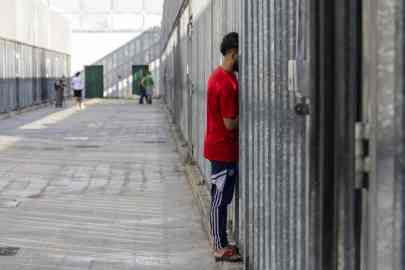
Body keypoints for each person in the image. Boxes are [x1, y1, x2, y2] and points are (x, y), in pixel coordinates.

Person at [203, 32, 240, 262]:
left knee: (221, 197)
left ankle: (222, 242)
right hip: (223, 150)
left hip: (219, 147)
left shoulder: (219, 76)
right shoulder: (226, 84)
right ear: (234, 54)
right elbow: (229, 123)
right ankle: (219, 246)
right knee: (220, 199)